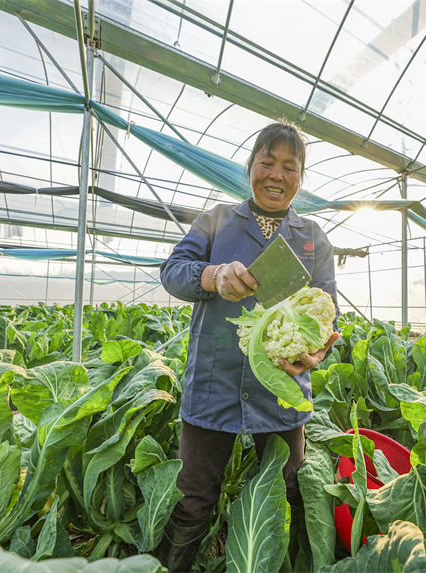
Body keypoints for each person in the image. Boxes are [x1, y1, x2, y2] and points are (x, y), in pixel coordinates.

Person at [156, 120, 339, 572]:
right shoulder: (216, 221)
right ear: (250, 167)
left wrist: (317, 351)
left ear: (301, 176)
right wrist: (212, 276)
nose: (276, 175)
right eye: (267, 162)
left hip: (280, 387)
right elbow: (173, 270)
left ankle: (295, 564)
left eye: (289, 167)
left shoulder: (313, 237)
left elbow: (329, 312)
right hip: (213, 380)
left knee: (290, 487)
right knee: (195, 494)